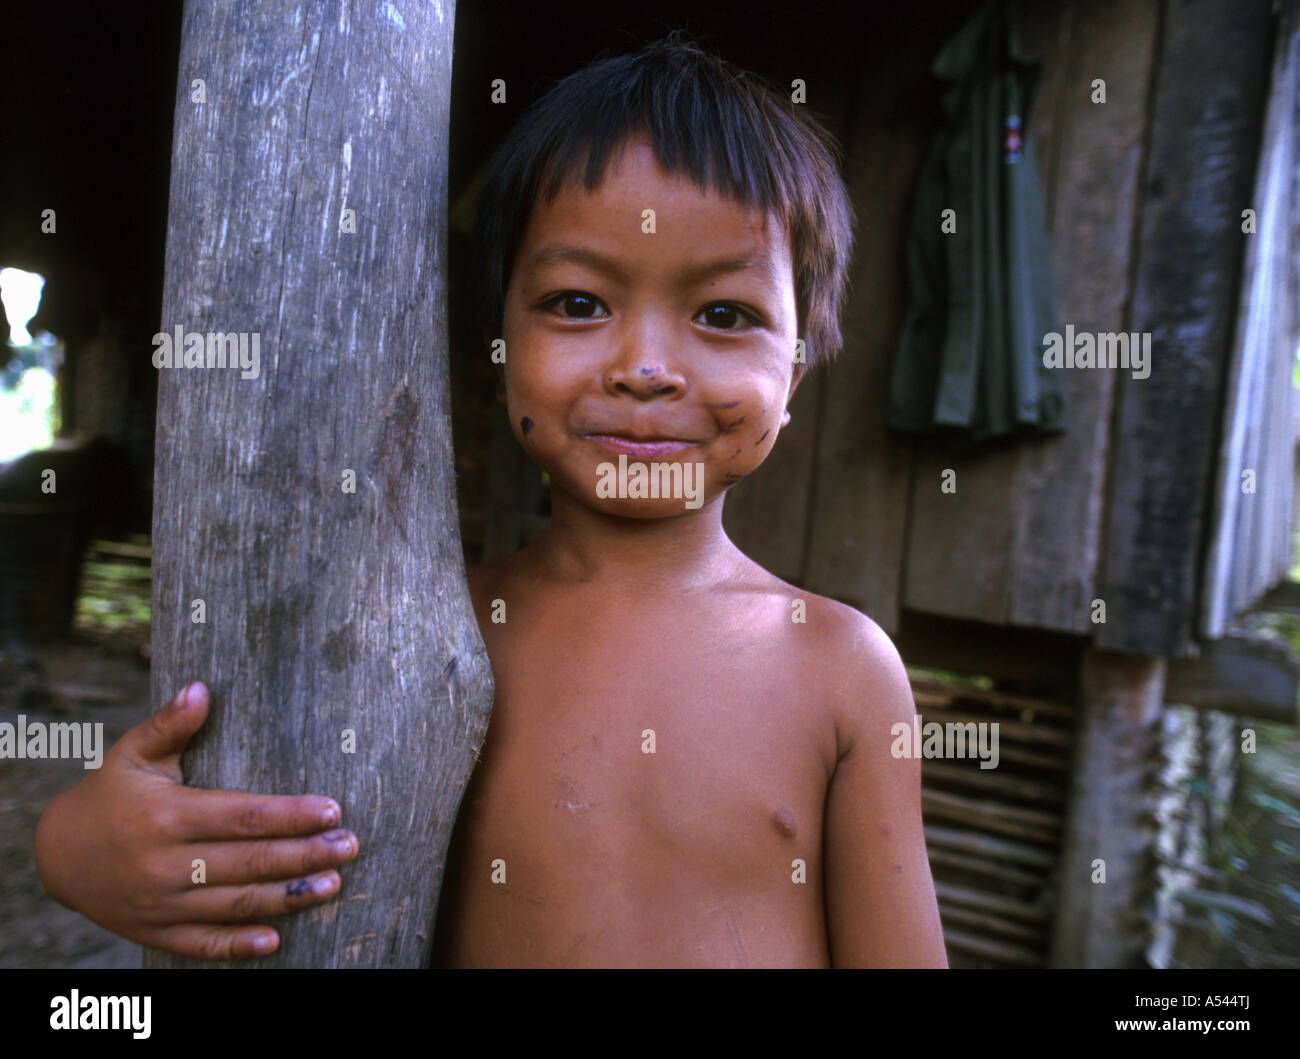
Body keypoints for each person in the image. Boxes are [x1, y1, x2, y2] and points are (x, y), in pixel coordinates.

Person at [33, 34, 947, 968]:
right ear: (497, 339)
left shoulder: (841, 667)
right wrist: (77, 848)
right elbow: (151, 814)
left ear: (792, 373)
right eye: (578, 302)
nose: (645, 368)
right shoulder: (422, 631)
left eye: (724, 314)